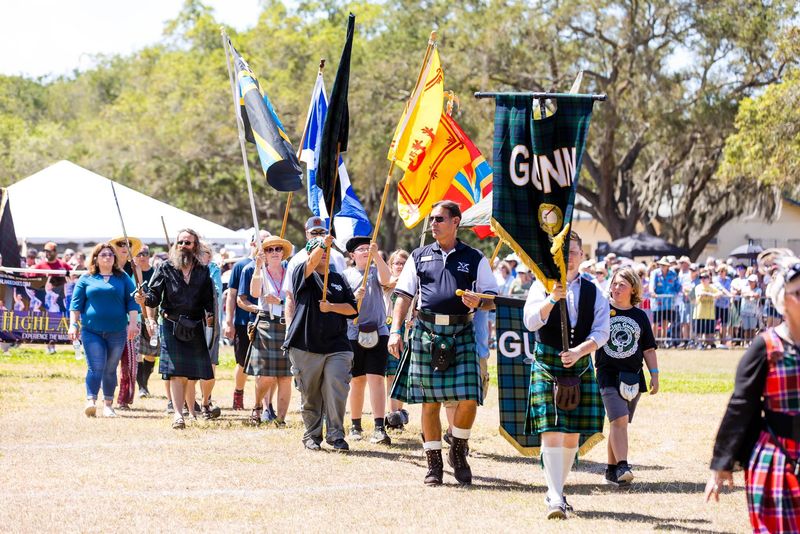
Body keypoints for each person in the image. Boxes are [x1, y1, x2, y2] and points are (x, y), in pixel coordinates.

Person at [388, 200, 498, 486]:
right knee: (429, 402)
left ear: (455, 222)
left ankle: (458, 452)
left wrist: (480, 300)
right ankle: (434, 464)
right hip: (427, 332)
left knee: (469, 398)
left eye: (438, 219)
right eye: (431, 219)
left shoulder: (475, 257)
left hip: (462, 333)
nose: (433, 224)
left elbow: (491, 300)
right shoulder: (418, 255)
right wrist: (396, 331)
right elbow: (404, 296)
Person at [706, 253, 800, 533]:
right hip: (777, 459)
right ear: (783, 301)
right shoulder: (767, 346)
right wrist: (721, 464)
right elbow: (741, 405)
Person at [522, 231, 610, 519]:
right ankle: (556, 497)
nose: (568, 258)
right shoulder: (541, 283)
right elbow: (531, 321)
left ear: (582, 256)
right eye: (563, 253)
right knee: (551, 431)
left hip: (579, 364)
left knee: (572, 435)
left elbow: (602, 331)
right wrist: (550, 299)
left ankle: (555, 489)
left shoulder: (594, 289)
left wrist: (581, 351)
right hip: (548, 364)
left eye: (573, 252)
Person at [283, 234, 358, 451]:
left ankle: (336, 435)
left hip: (337, 346)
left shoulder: (338, 278)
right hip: (305, 344)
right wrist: (321, 244)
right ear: (310, 253)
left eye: (326, 250)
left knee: (337, 389)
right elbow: (312, 262)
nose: (323, 253)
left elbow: (353, 309)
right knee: (310, 394)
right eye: (318, 250)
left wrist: (332, 307)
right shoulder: (301, 273)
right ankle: (312, 435)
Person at [143, 229, 216, 429]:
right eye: (181, 242)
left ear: (195, 246)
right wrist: (144, 299)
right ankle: (178, 415)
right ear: (176, 244)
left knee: (190, 375)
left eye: (188, 242)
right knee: (176, 373)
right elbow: (154, 296)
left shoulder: (202, 270)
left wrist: (211, 318)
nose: (184, 245)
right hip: (171, 324)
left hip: (194, 325)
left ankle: (192, 411)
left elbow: (208, 300)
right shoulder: (165, 267)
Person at [595, 267, 659, 486]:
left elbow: (649, 349)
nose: (616, 288)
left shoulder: (640, 316)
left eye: (622, 284)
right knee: (619, 419)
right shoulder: (601, 311)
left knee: (618, 424)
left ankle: (611, 470)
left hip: (633, 377)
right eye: (614, 283)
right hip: (607, 373)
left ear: (633, 288)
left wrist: (655, 375)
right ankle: (623, 465)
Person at [68, 243, 139, 418]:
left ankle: (108, 404)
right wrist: (73, 325)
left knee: (110, 368)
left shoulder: (122, 278)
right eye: (103, 254)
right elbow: (75, 306)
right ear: (96, 258)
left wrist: (132, 323)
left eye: (110, 254)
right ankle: (91, 400)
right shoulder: (86, 278)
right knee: (95, 367)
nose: (107, 257)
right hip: (91, 331)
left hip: (117, 331)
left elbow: (132, 302)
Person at [343, 236, 392, 444]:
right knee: (357, 380)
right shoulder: (345, 275)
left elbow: (388, 280)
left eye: (367, 248)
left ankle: (379, 427)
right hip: (353, 333)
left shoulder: (375, 271)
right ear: (352, 255)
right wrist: (355, 296)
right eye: (360, 250)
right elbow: (343, 304)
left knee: (376, 378)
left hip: (378, 331)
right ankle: (355, 425)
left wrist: (377, 257)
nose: (364, 252)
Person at [242, 235, 293, 426]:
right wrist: (257, 267)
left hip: (287, 324)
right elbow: (254, 293)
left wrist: (280, 301)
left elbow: (295, 299)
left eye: (277, 249)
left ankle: (281, 419)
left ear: (283, 252)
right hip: (266, 323)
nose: (274, 253)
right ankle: (257, 406)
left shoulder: (290, 272)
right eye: (269, 250)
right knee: (266, 376)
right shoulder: (260, 272)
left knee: (286, 377)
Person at [224, 230, 270, 410]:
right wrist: (229, 321)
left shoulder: (275, 265)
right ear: (252, 244)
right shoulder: (241, 265)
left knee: (266, 366)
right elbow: (232, 295)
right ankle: (238, 393)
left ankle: (265, 404)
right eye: (261, 242)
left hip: (267, 322)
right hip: (244, 322)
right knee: (242, 362)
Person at [111, 236, 143, 410]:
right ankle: (108, 393)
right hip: (111, 320)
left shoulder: (134, 268)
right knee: (109, 360)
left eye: (128, 245)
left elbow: (139, 294)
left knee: (130, 361)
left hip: (131, 319)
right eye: (120, 244)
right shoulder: (108, 268)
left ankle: (124, 398)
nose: (124, 247)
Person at [383, 249, 411, 430]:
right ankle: (392, 415)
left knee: (403, 375)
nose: (399, 266)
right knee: (391, 375)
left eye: (403, 263)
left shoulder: (412, 285)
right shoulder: (386, 283)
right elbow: (389, 282)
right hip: (389, 329)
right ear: (390, 266)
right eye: (396, 263)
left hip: (407, 331)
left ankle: (399, 412)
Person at [34, 242, 71, 354]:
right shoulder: (39, 266)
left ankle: (53, 345)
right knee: (47, 323)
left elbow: (73, 276)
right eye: (45, 251)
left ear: (55, 252)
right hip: (46, 300)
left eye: (49, 251)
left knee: (57, 323)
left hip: (60, 300)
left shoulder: (63, 265)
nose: (47, 253)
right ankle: (49, 345)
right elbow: (30, 281)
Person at [134, 246, 158, 399]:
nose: (142, 257)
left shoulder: (155, 272)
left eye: (145, 254)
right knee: (135, 353)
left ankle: (145, 382)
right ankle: (141, 387)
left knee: (151, 353)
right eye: (139, 254)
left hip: (153, 317)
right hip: (134, 317)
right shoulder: (131, 272)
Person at [650, 257, 680, 347]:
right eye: (661, 265)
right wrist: (652, 292)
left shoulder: (673, 273)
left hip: (669, 303)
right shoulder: (655, 273)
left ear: (668, 266)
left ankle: (663, 342)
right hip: (657, 303)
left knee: (665, 322)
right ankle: (652, 342)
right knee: (655, 323)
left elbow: (677, 285)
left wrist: (678, 292)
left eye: (664, 265)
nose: (662, 266)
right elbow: (651, 285)